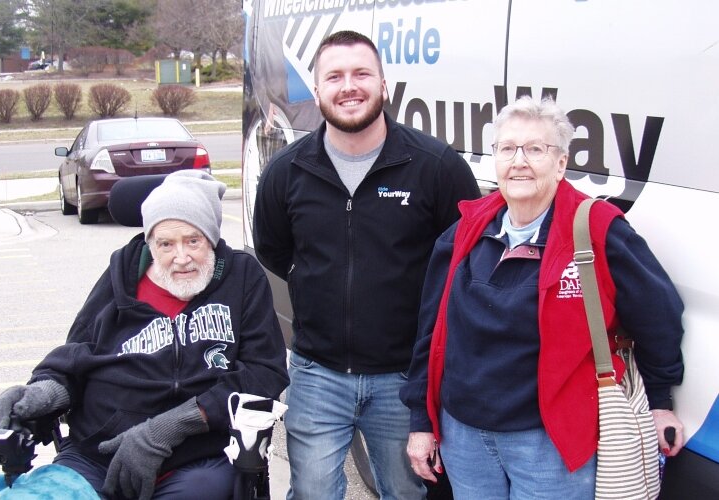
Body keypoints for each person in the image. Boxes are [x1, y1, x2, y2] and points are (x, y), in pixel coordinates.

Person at [399, 96, 685, 498]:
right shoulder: (465, 230)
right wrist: (421, 421)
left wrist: (660, 400)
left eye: (536, 149)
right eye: (507, 149)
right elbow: (430, 331)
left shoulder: (598, 230)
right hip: (464, 437)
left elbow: (659, 316)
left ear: (562, 163)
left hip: (549, 441)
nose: (519, 161)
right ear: (494, 158)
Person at [252, 30, 480, 499]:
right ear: (317, 91)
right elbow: (273, 251)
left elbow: (464, 260)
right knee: (312, 492)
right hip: (317, 374)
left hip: (405, 380)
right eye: (334, 76)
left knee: (406, 492)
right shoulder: (287, 172)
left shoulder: (435, 167)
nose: (348, 86)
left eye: (361, 73)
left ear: (384, 84)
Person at [0, 170, 289, 500]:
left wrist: (169, 427)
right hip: (97, 455)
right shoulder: (121, 276)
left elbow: (265, 373)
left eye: (193, 240)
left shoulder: (241, 278)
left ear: (212, 239)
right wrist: (42, 394)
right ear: (150, 243)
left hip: (194, 459)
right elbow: (76, 356)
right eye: (166, 244)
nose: (181, 257)